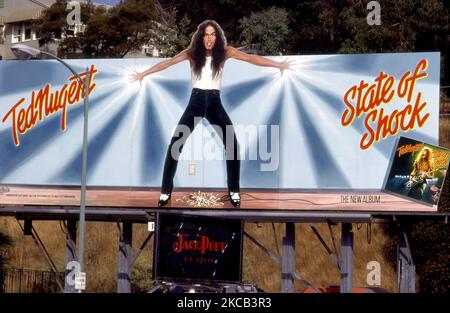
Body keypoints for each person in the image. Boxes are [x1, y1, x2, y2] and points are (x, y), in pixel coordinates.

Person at [131, 20, 291, 208]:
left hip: (214, 101)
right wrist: (143, 74)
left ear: (217, 36)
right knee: (176, 144)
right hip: (196, 100)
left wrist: (278, 65)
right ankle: (165, 191)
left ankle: (234, 191)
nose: (209, 38)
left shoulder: (225, 52)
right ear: (201, 36)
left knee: (232, 144)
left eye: (212, 34)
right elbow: (168, 63)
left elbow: (251, 59)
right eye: (206, 34)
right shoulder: (192, 54)